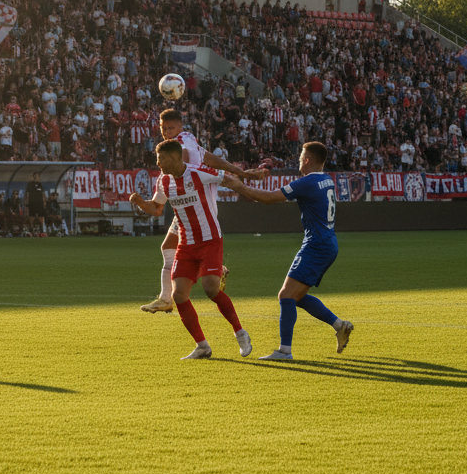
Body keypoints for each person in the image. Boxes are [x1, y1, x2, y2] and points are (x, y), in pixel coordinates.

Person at [224, 142, 354, 359]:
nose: (299, 160)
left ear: (307, 160)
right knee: (296, 297)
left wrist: (237, 186)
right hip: (327, 243)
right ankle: (339, 325)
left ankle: (285, 351)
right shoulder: (326, 179)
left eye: (301, 156)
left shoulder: (308, 182)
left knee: (285, 295)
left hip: (316, 245)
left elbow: (268, 199)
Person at [130, 139, 252, 360]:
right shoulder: (164, 181)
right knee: (179, 295)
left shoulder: (198, 174)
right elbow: (157, 209)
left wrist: (251, 189)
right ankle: (202, 346)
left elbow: (227, 179)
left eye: (161, 159)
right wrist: (140, 202)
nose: (159, 164)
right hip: (186, 243)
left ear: (175, 158)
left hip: (210, 239)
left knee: (211, 289)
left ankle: (240, 332)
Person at [139, 108, 266, 314]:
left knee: (182, 249)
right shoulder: (188, 138)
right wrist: (241, 171)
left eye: (171, 128)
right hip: (189, 203)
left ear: (180, 127)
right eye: (163, 128)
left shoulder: (182, 145)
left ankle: (175, 294)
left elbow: (192, 161)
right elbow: (209, 158)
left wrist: (184, 171)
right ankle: (167, 297)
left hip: (194, 203)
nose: (166, 132)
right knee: (168, 247)